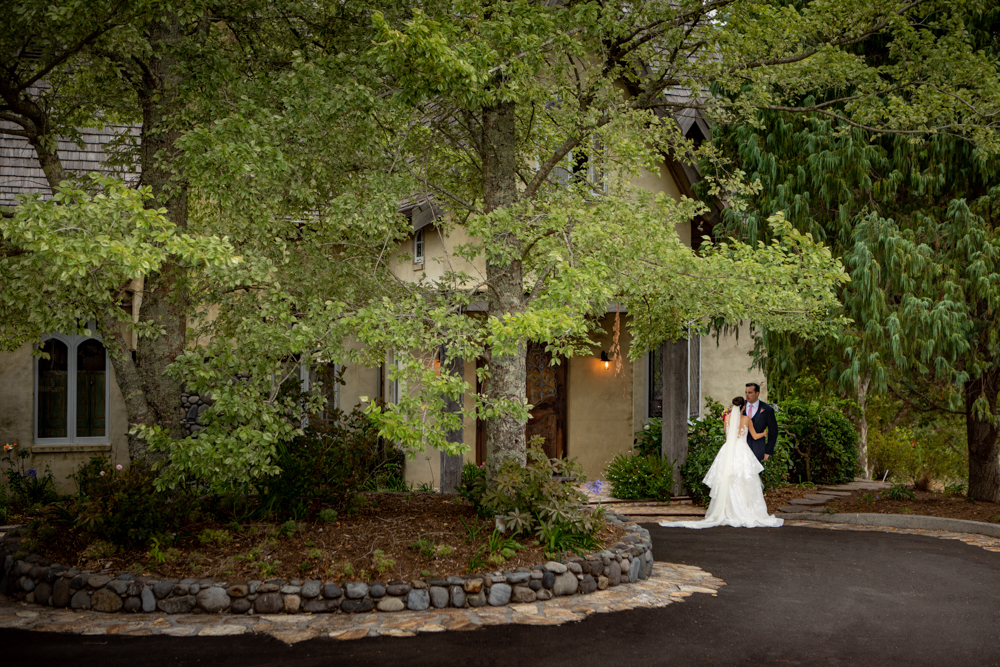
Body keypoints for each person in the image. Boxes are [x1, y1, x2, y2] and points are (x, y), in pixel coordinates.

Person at [659, 396, 782, 529]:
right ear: (744, 407)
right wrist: (764, 434)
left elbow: (727, 436)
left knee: (726, 478)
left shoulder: (727, 419)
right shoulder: (747, 419)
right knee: (743, 478)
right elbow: (754, 435)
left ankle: (726, 510)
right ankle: (745, 509)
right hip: (742, 450)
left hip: (728, 450)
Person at [744, 382, 778, 462]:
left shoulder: (767, 410)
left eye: (750, 392)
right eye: (746, 392)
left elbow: (773, 431)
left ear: (757, 393)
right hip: (741, 449)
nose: (747, 395)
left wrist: (768, 451)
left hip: (758, 450)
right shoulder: (740, 407)